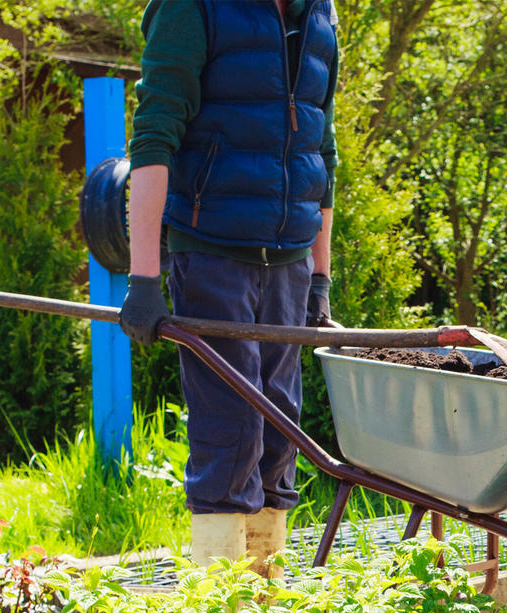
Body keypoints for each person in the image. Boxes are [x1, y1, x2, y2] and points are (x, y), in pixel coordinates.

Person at [119, 0, 339, 576]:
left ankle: (267, 592)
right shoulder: (193, 8)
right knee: (230, 428)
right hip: (212, 249)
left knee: (280, 431)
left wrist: (321, 277)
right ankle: (221, 610)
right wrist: (144, 278)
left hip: (290, 259)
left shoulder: (321, 14)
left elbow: (322, 148)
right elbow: (154, 137)